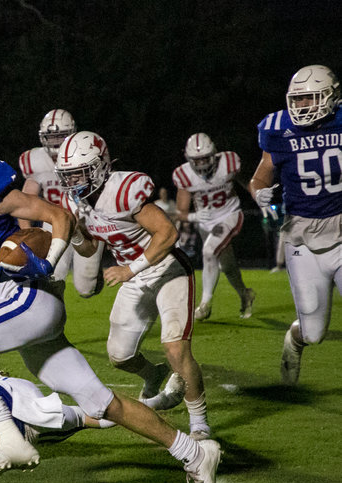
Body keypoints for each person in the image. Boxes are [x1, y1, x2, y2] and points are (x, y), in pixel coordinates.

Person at [0, 121, 219, 483]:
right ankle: (195, 453)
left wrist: (49, 260)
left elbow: (58, 216)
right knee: (102, 404)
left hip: (26, 293)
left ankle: (9, 437)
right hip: (4, 304)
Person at [56, 131, 212, 439]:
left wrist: (131, 268)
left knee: (175, 349)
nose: (73, 181)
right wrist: (74, 232)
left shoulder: (123, 189)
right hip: (133, 274)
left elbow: (167, 233)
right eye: (68, 175)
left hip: (167, 268)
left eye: (78, 173)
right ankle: (153, 375)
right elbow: (87, 249)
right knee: (120, 355)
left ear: (99, 166)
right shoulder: (75, 203)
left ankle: (199, 422)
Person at [249, 64, 342, 385]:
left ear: (331, 97)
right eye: (298, 100)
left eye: (311, 98)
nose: (302, 106)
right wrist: (259, 193)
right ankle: (295, 339)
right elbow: (261, 176)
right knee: (314, 331)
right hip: (301, 235)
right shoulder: (278, 128)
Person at [18, 108, 104, 298]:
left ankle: (95, 275)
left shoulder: (84, 152)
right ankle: (52, 315)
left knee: (85, 289)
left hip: (86, 219)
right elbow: (26, 200)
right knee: (52, 277)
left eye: (61, 135)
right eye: (51, 136)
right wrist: (27, 232)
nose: (56, 141)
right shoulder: (32, 161)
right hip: (53, 221)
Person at [172, 133, 255, 320]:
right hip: (205, 221)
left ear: (214, 154)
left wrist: (257, 195)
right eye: (196, 160)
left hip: (229, 214)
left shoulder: (229, 162)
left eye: (204, 158)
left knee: (209, 252)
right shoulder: (184, 175)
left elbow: (244, 179)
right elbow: (180, 211)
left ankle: (205, 304)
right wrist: (194, 216)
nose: (201, 164)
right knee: (227, 265)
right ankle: (245, 294)